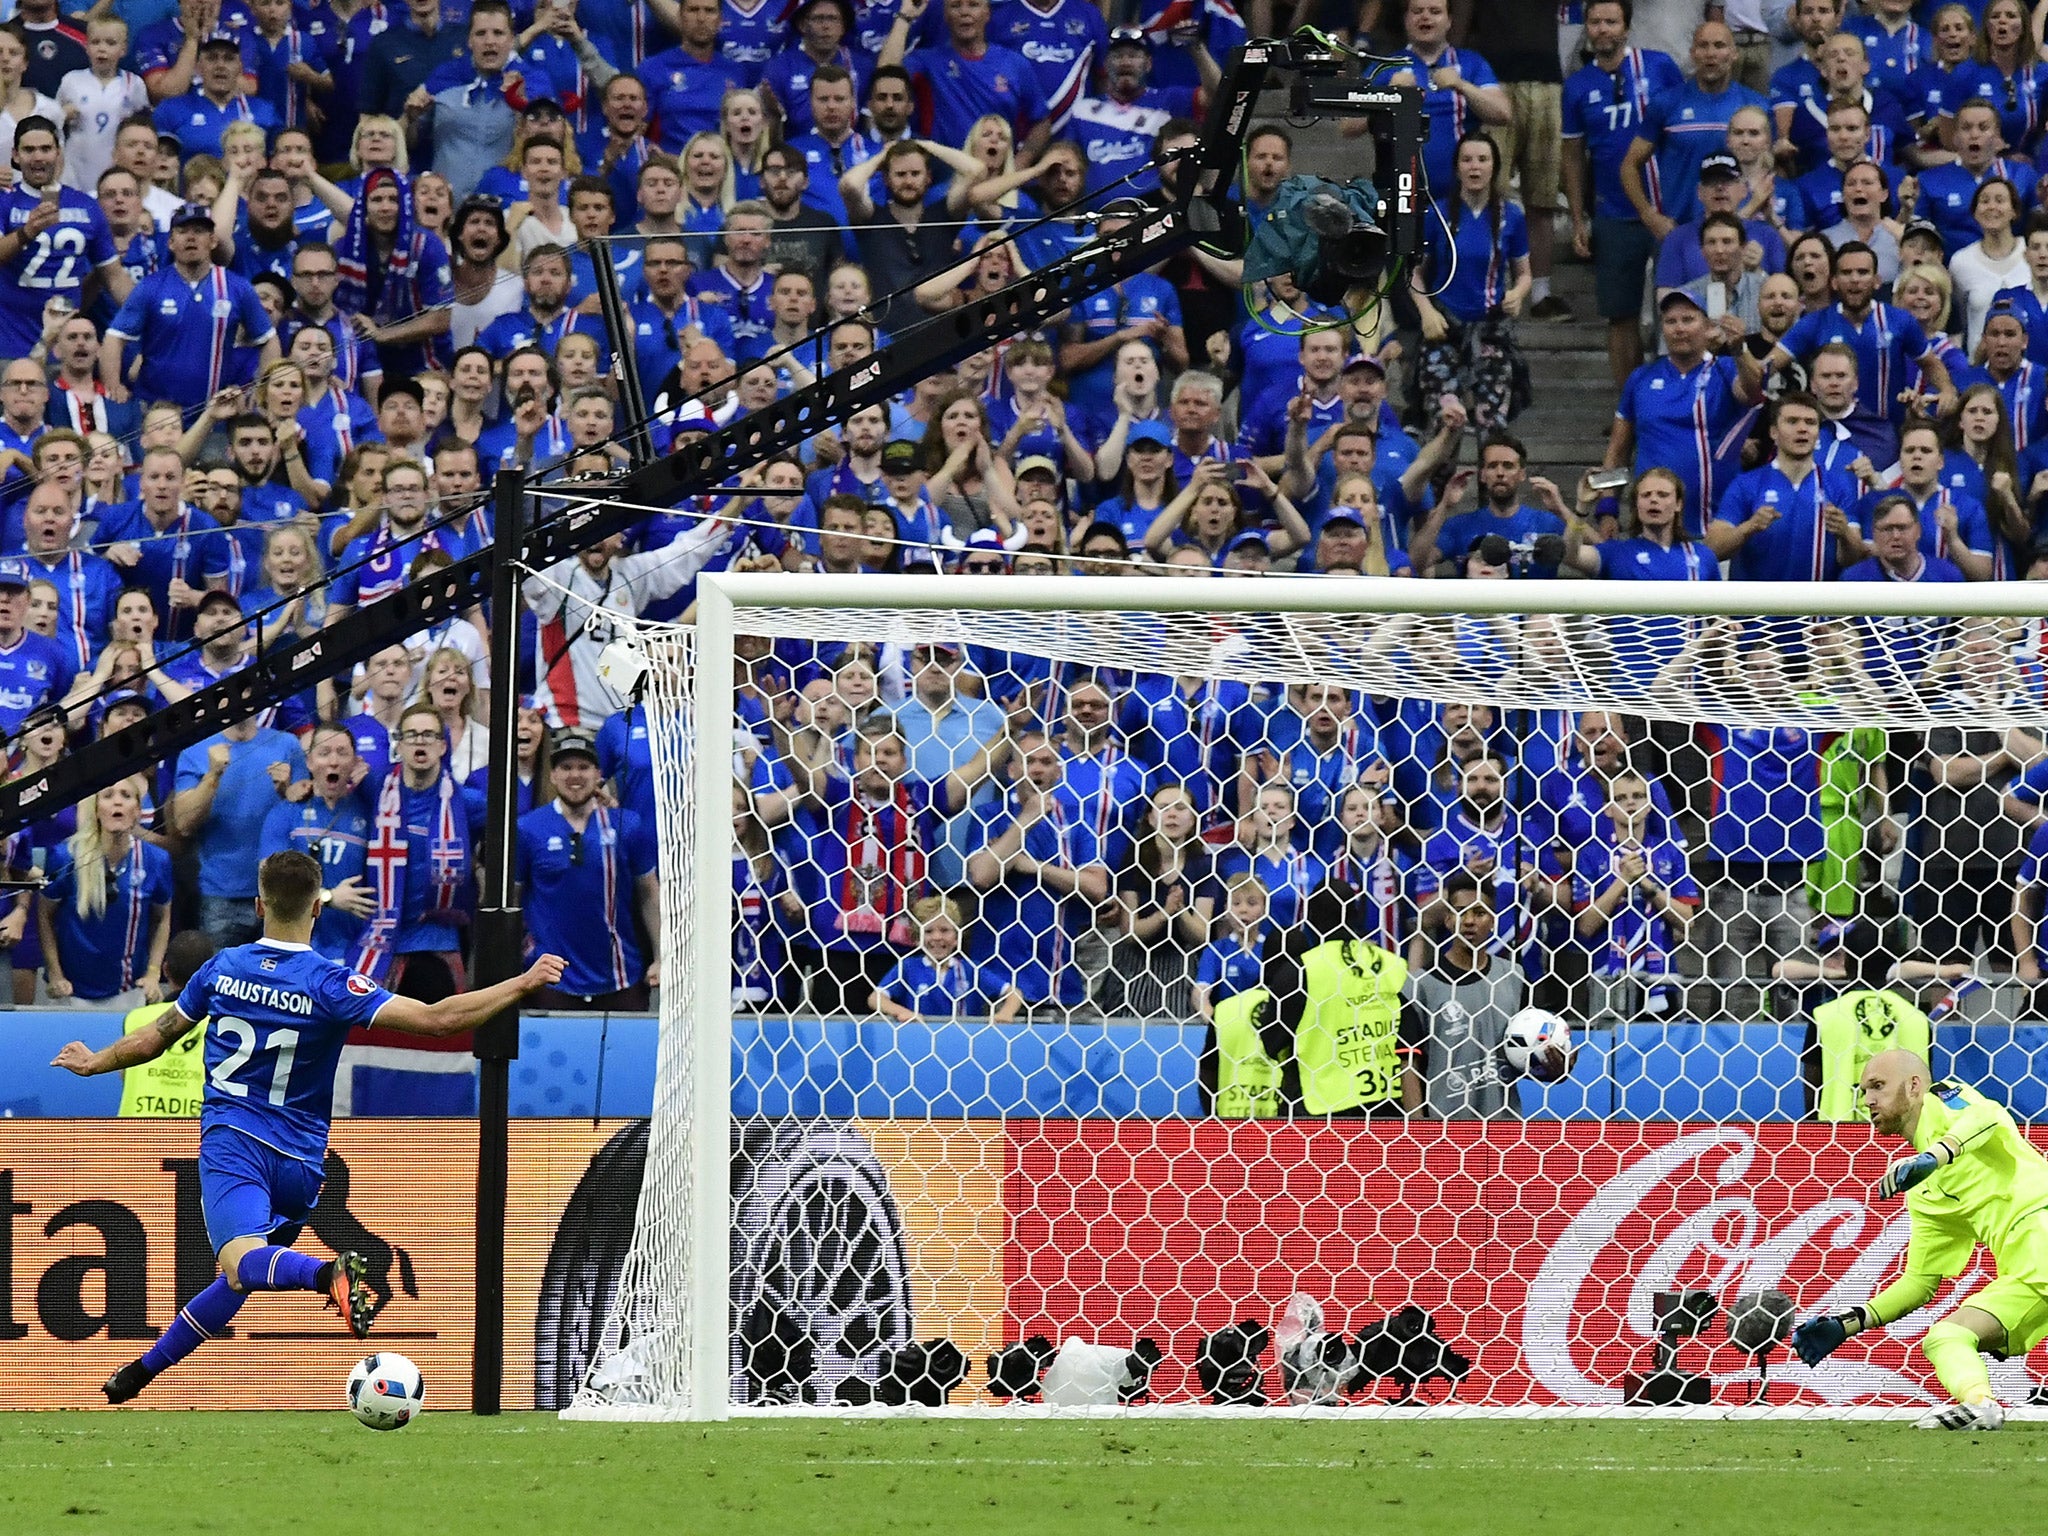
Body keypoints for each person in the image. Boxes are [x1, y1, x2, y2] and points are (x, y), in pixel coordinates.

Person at [56, 848, 565, 1403]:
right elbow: (438, 1019)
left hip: (236, 1142)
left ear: (257, 903)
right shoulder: (331, 984)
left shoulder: (221, 970)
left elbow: (155, 1037)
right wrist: (521, 982)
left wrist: (94, 1061)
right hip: (302, 1164)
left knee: (240, 1259)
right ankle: (138, 1375)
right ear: (318, 908)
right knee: (237, 1277)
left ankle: (328, 1276)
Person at [1788, 1051, 2048, 1431]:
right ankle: (1980, 1405)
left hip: (2039, 1230)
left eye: (1877, 1086)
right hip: (2028, 1271)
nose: (1868, 1101)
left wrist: (1935, 1155)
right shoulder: (1923, 1190)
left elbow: (1988, 1115)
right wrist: (1847, 1325)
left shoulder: (1947, 1097)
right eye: (1862, 1092)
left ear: (1914, 1086)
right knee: (1945, 1336)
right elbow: (1920, 1281)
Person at [1207, 879, 1424, 1118]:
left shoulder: (1303, 970)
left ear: (1311, 920)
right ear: (1355, 914)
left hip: (1322, 1109)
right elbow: (1413, 1041)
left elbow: (1271, 1041)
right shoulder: (1391, 964)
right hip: (1388, 1104)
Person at [1562, 0, 1684, 383]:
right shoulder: (1577, 85)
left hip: (1667, 207)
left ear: (1626, 27)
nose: (1603, 29)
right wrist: (1578, 217)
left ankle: (1674, 397)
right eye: (1596, 22)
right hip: (1613, 211)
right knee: (1620, 314)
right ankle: (1627, 410)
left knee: (1678, 308)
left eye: (1611, 21)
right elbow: (1572, 156)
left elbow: (1682, 128)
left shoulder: (1659, 66)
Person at [517, 728, 660, 1010]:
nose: (575, 775)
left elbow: (650, 894)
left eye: (584, 767)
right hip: (549, 978)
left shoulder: (626, 825)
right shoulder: (528, 828)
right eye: (566, 767)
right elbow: (513, 898)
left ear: (598, 775)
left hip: (620, 978)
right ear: (553, 774)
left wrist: (660, 956)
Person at [1409, 132, 1530, 436]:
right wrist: (1426, 311)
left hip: (1491, 330)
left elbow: (1524, 273)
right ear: (1457, 167)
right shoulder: (1436, 213)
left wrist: (1518, 292)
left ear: (1494, 166)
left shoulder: (1511, 216)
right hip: (1445, 326)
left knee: (1493, 430)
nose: (1474, 167)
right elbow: (1414, 273)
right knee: (1443, 425)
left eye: (1482, 159)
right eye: (1467, 160)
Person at [0, 116, 130, 360]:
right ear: (15, 156)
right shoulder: (4, 200)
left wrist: (150, 318)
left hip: (67, 353)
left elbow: (113, 277)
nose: (38, 157)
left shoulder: (87, 206)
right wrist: (27, 232)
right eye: (29, 150)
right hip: (8, 348)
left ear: (58, 153)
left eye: (46, 149)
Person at [37, 774, 171, 1007]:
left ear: (138, 811)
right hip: (71, 990)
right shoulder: (66, 857)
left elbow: (162, 919)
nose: (117, 802)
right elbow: (45, 916)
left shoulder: (156, 861)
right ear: (97, 810)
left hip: (127, 990)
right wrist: (56, 973)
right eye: (108, 796)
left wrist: (153, 972)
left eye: (126, 796)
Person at [1407, 872, 1529, 1119]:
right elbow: (1408, 1066)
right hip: (1445, 1131)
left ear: (1493, 921)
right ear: (1449, 920)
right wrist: (1418, 1133)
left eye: (1479, 913)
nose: (1469, 921)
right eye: (1462, 912)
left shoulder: (1514, 977)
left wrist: (1558, 1065)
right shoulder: (1420, 986)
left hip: (1503, 1128)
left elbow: (1532, 1050)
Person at [871, 893, 1023, 1022]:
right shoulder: (908, 967)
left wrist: (1005, 1013)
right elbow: (875, 998)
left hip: (962, 1042)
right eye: (929, 931)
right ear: (917, 938)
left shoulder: (970, 969)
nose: (937, 937)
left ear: (957, 937)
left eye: (944, 930)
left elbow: (1014, 993)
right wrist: (901, 1012)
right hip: (919, 1040)